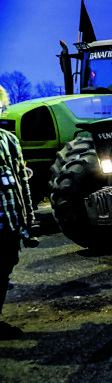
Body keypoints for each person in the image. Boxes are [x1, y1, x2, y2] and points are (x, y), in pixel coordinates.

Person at [0, 85, 39, 340]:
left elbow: (21, 180)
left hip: (10, 220)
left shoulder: (9, 139)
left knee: (5, 267)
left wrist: (29, 220)